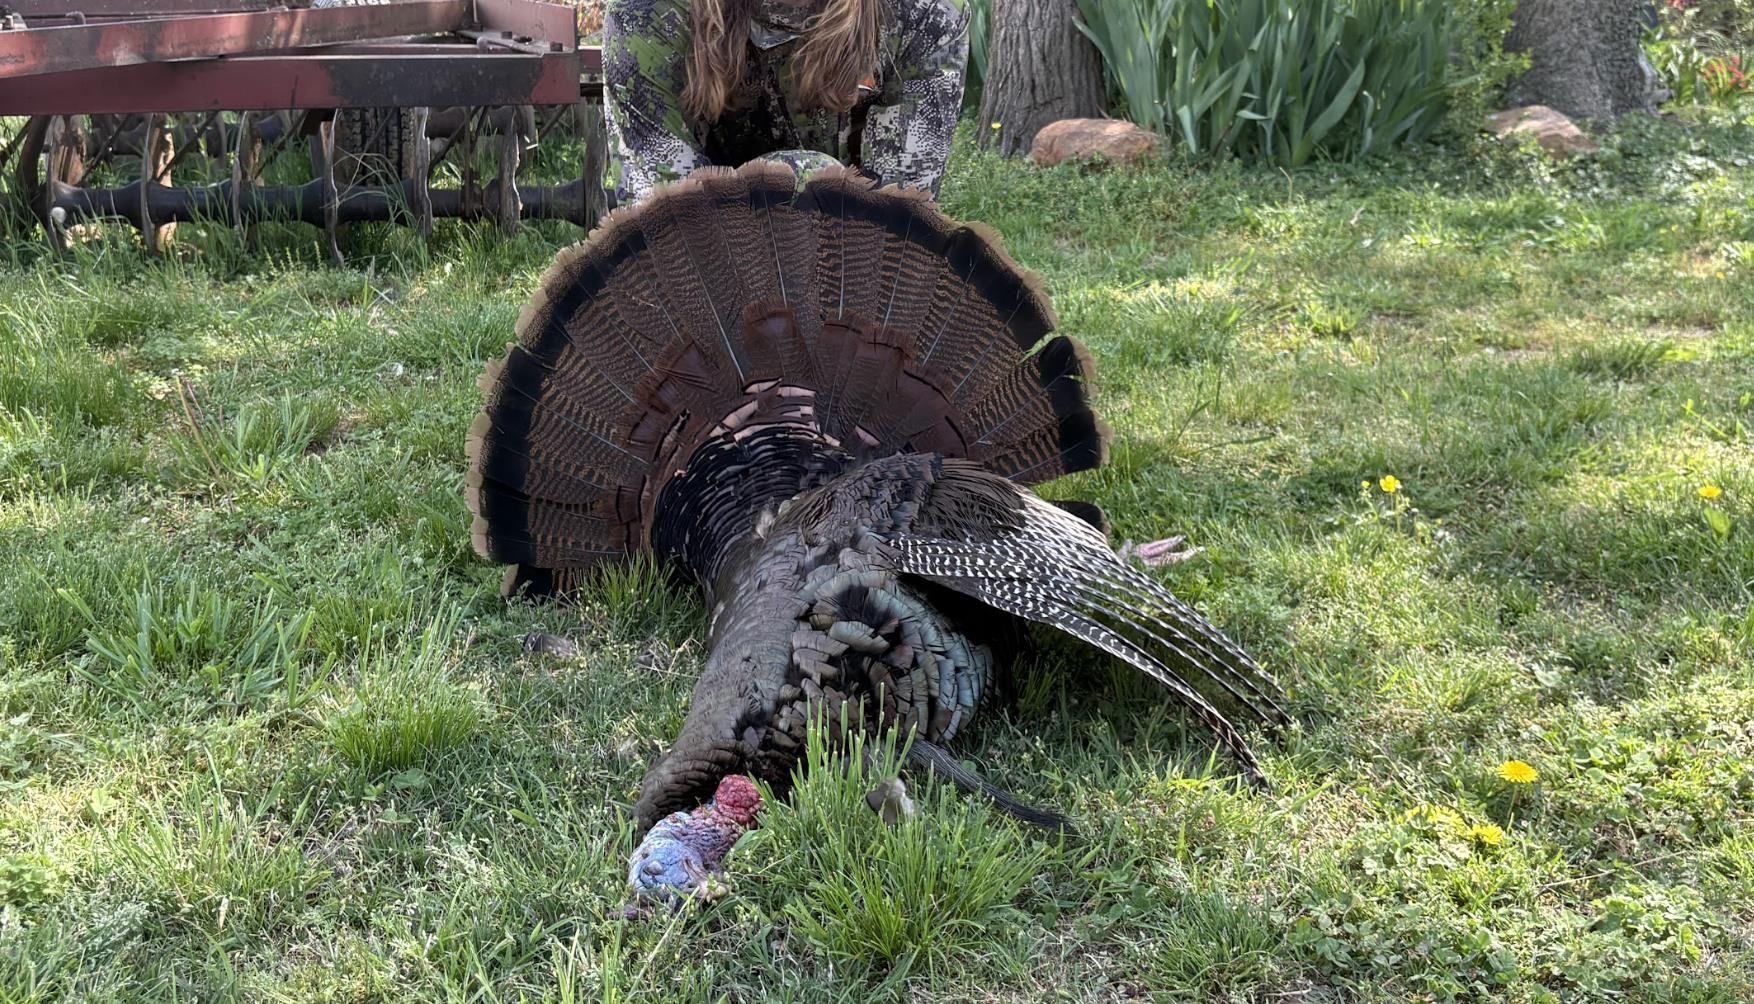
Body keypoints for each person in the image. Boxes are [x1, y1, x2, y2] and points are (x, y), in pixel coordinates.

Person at [599, 0, 968, 208]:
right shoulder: (648, 13)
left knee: (808, 175)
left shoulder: (926, 15)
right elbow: (664, 214)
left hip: (849, 269)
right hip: (705, 266)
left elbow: (900, 219)